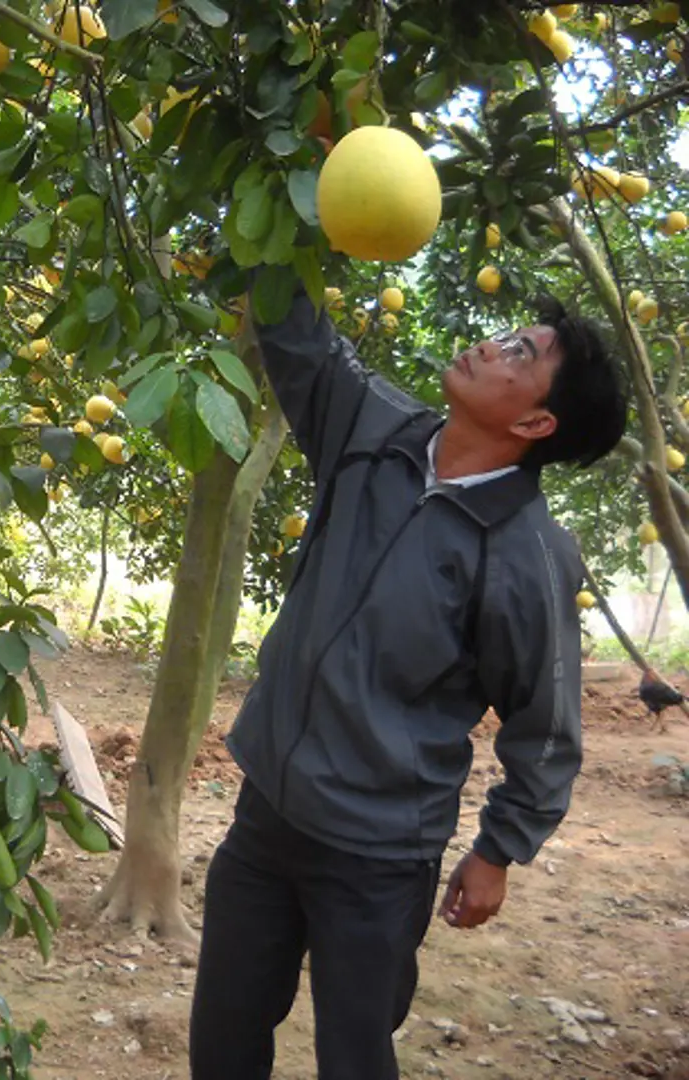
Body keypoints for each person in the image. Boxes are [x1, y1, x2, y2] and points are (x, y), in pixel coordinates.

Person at [188, 285, 627, 1080]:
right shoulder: (374, 432)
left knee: (355, 1055)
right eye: (506, 335)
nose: (493, 345)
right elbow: (300, 335)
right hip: (267, 815)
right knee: (222, 1036)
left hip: (377, 852)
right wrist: (291, 197)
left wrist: (498, 850)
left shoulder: (528, 556)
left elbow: (546, 726)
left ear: (535, 424)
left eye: (521, 354)